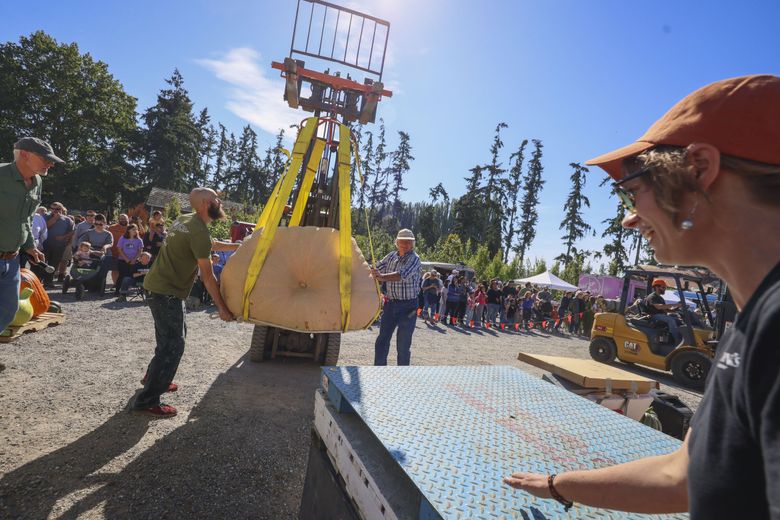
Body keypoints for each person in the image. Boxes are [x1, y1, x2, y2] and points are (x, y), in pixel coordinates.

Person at [504, 75, 780, 518]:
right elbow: (680, 478)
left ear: (700, 170)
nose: (630, 220)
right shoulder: (748, 329)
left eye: (634, 191)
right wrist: (560, 486)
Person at [132, 188, 238, 417]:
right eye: (217, 200)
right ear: (206, 203)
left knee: (169, 339)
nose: (220, 203)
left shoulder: (186, 219)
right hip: (166, 292)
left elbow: (210, 244)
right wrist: (222, 308)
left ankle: (155, 378)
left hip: (160, 287)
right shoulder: (197, 229)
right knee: (173, 345)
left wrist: (238, 247)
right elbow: (207, 277)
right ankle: (147, 399)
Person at [1, 138, 63, 345]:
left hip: (12, 258)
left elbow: (26, 218)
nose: (51, 163)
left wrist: (30, 246)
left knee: (8, 311)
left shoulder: (37, 181)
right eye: (45, 159)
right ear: (25, 155)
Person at [371, 228, 422, 366]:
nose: (405, 244)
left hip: (408, 307)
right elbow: (376, 267)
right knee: (382, 340)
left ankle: (403, 374)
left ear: (413, 244)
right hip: (390, 304)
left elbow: (401, 275)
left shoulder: (414, 259)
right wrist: (370, 270)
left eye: (409, 242)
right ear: (397, 243)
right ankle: (379, 371)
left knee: (403, 344)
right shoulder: (391, 256)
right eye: (402, 242)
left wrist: (381, 276)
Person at [41, 201, 74, 287]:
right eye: (53, 209)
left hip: (59, 246)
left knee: (54, 264)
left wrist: (63, 237)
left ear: (62, 209)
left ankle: (49, 282)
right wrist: (55, 219)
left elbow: (72, 231)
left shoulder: (67, 220)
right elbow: (44, 227)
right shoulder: (45, 216)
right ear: (50, 209)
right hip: (45, 245)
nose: (55, 210)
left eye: (58, 209)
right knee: (42, 264)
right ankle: (38, 282)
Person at [645, 279, 683, 344]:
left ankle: (678, 337)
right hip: (654, 317)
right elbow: (659, 307)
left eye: (665, 287)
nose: (665, 289)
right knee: (670, 320)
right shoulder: (652, 296)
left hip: (661, 315)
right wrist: (675, 304)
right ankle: (678, 340)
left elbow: (665, 309)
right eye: (663, 287)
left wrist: (676, 309)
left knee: (677, 320)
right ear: (657, 287)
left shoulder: (660, 298)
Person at [116, 224, 144, 294]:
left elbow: (140, 251)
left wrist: (134, 259)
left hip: (135, 261)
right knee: (122, 275)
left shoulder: (139, 240)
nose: (135, 231)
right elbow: (119, 249)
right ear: (129, 230)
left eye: (136, 229)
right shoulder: (122, 238)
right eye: (133, 229)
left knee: (131, 275)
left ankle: (127, 291)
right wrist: (126, 259)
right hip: (123, 260)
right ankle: (117, 291)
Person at [108, 214, 129, 286]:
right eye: (121, 219)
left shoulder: (131, 228)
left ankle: (123, 285)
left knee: (125, 271)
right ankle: (115, 284)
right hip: (115, 253)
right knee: (115, 270)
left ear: (128, 219)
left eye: (125, 219)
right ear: (118, 220)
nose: (123, 220)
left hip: (127, 254)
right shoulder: (111, 228)